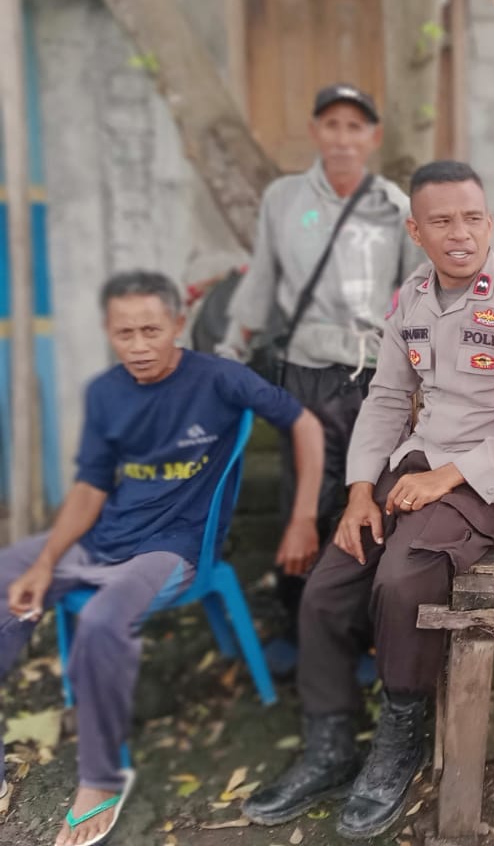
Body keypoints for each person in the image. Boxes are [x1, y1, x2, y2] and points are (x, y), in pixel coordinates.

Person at [244, 160, 494, 838]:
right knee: (326, 587)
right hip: (409, 469)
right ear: (415, 231)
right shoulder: (412, 297)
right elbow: (388, 397)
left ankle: (401, 738)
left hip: (486, 479)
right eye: (442, 221)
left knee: (402, 579)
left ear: (490, 223)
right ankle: (331, 744)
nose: (460, 234)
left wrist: (448, 477)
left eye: (472, 218)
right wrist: (361, 491)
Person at [1, 271, 323, 846]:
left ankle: (100, 778)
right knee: (8, 575)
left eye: (151, 330)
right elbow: (90, 487)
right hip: (104, 534)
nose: (139, 346)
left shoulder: (220, 378)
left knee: (102, 617)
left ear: (178, 323)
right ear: (108, 332)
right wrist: (47, 558)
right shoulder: (106, 392)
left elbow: (303, 425)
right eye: (124, 333)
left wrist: (302, 517)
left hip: (174, 547)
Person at [219, 83, 418, 676]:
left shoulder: (395, 207)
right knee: (302, 502)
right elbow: (262, 280)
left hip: (373, 378)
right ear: (315, 132)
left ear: (373, 138)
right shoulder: (284, 199)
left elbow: (415, 296)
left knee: (366, 503)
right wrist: (230, 349)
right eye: (332, 125)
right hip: (304, 375)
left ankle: (359, 636)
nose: (342, 138)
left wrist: (422, 377)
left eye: (355, 127)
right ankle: (298, 630)